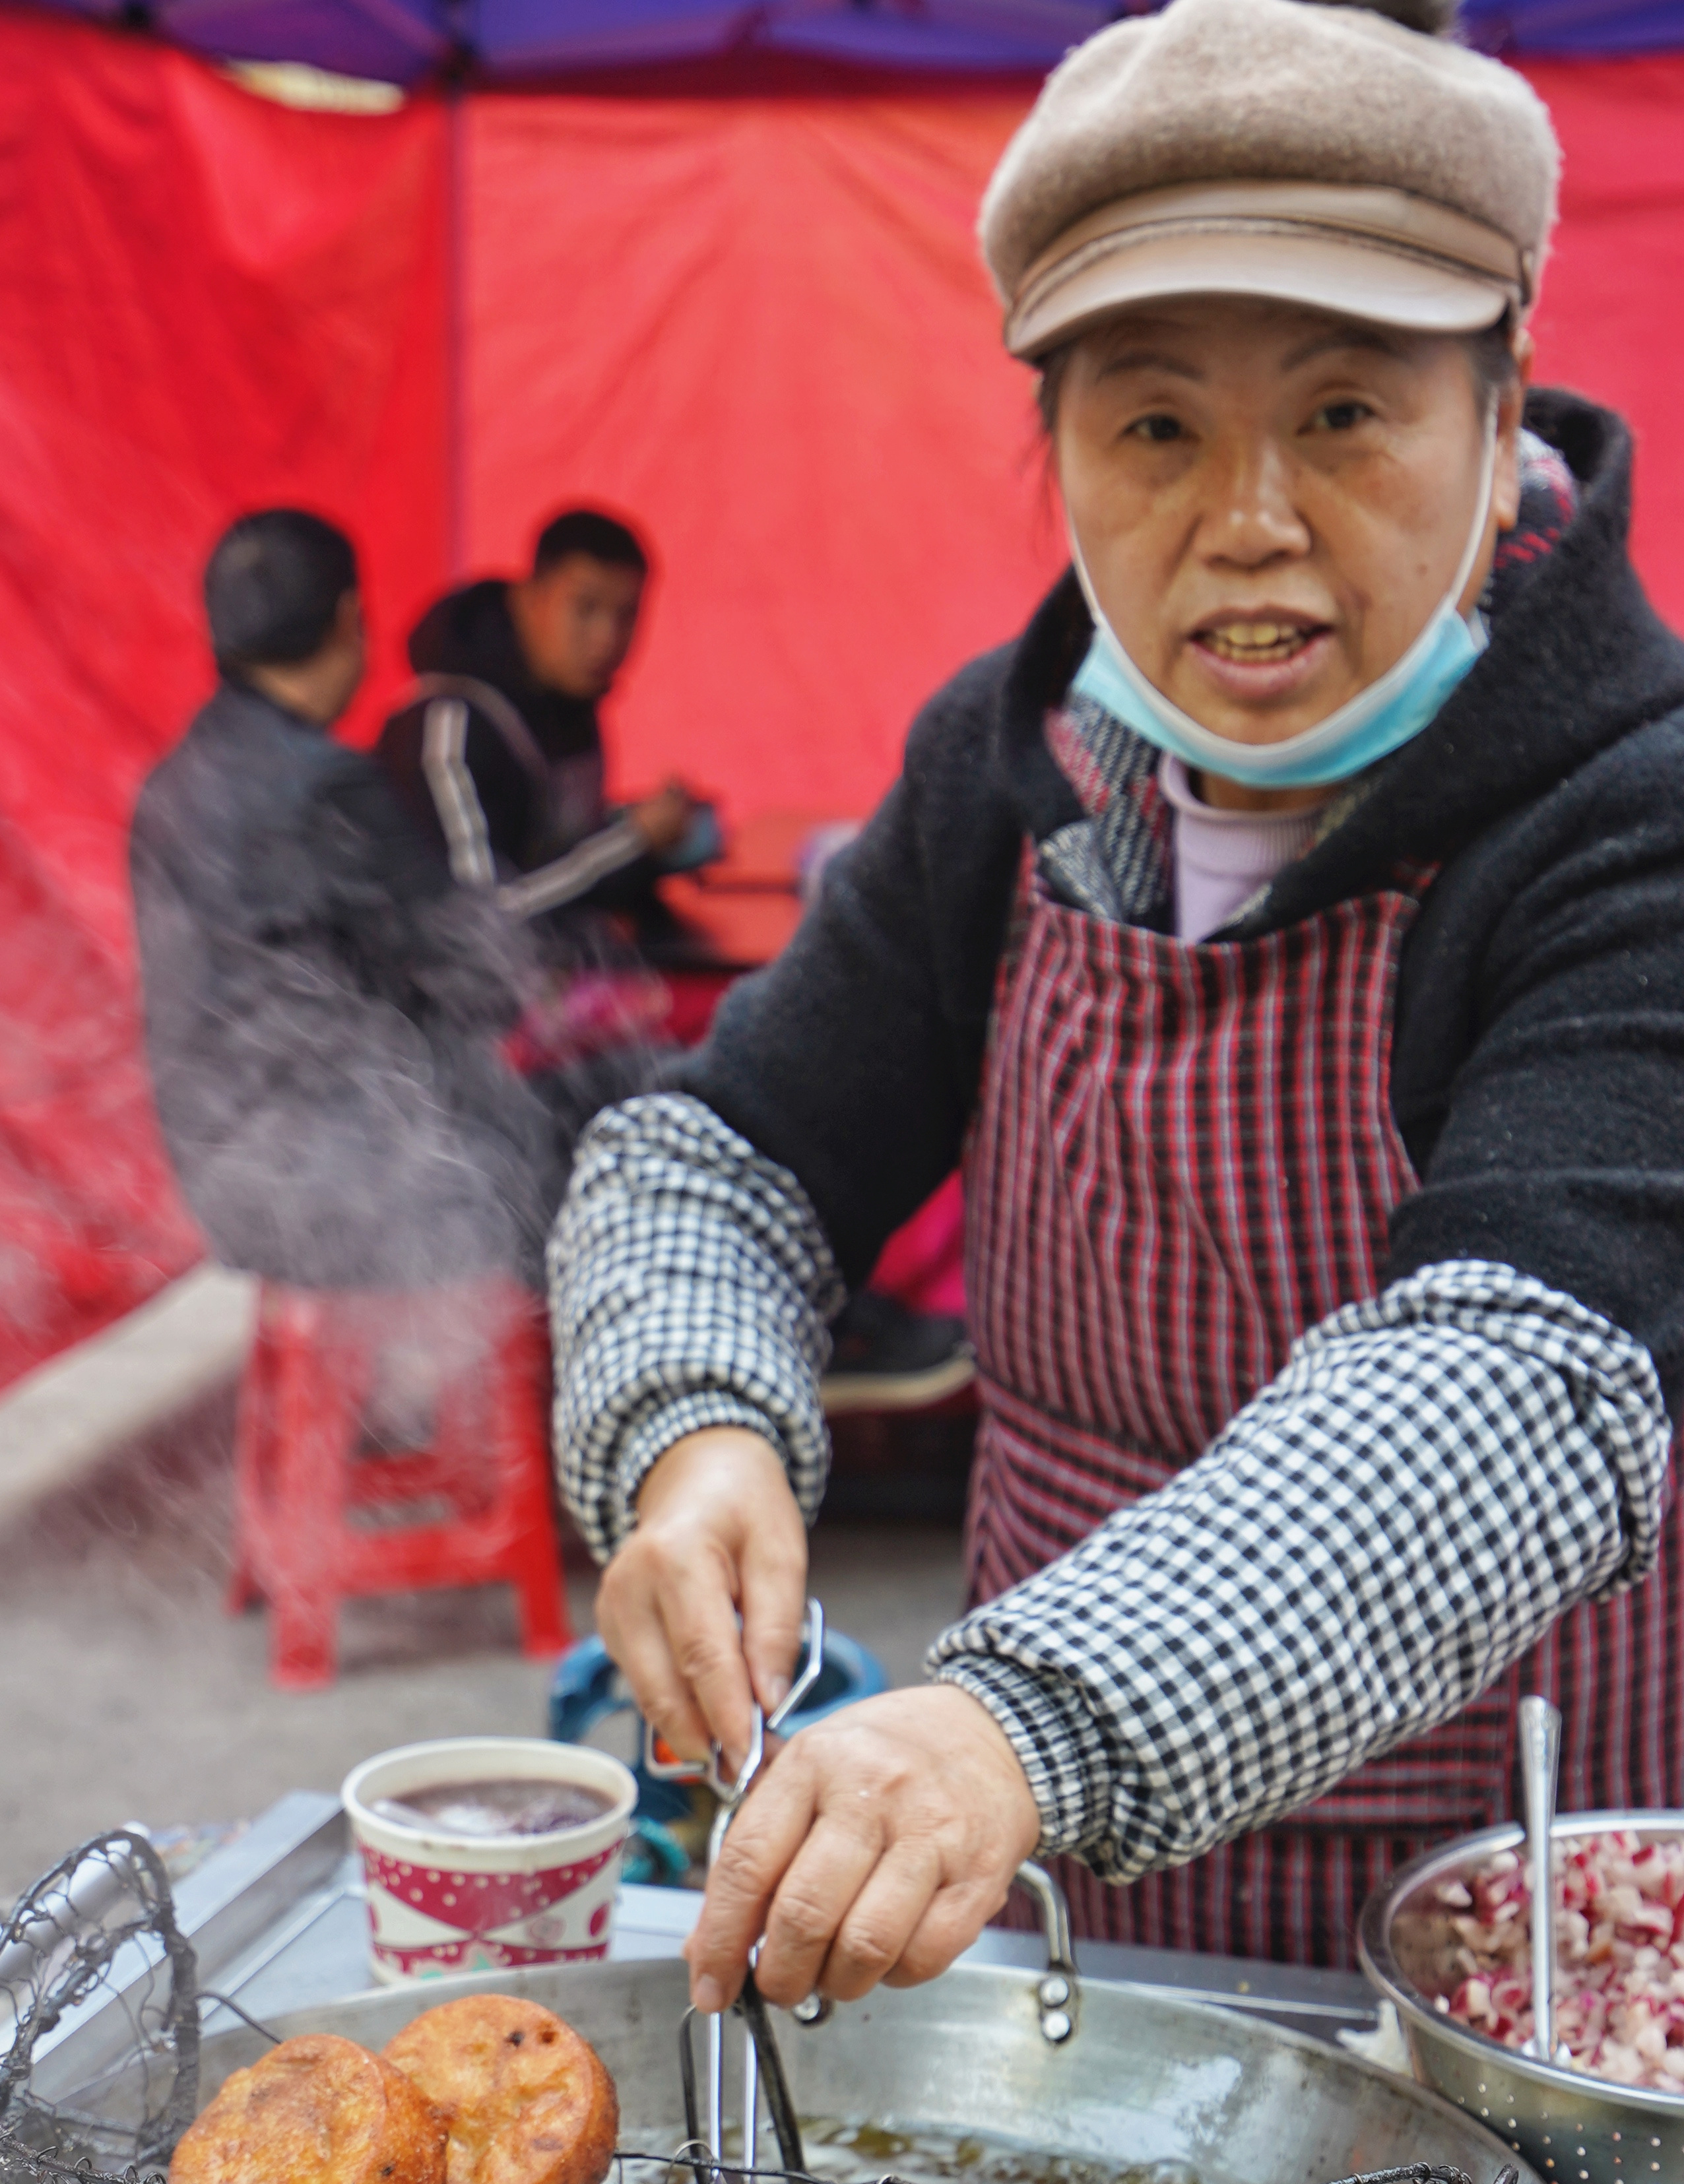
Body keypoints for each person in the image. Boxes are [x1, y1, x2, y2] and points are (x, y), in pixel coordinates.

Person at [550, 0, 1684, 2020]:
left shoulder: (1625, 818)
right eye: (1153, 422)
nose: (1242, 517)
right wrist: (695, 1432)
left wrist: (1009, 1724)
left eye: (1344, 411)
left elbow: (1511, 1377)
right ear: (1053, 444)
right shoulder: (1007, 778)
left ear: (1503, 390)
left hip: (1485, 1959)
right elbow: (714, 1156)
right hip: (1060, 1934)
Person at [131, 508, 587, 1293]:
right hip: (359, 1193)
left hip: (224, 1185)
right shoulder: (328, 785)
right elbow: (478, 978)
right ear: (351, 619)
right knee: (616, 1135)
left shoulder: (170, 787)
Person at [375, 507, 713, 932]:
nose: (606, 639)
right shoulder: (447, 725)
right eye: (586, 609)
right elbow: (480, 916)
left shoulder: (571, 701)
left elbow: (556, 859)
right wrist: (633, 842)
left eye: (627, 615)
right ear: (530, 599)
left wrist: (649, 838)